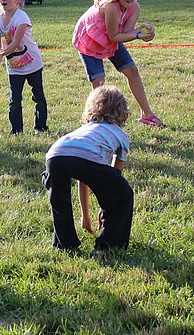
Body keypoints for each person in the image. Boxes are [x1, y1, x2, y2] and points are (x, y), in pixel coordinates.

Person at [41, 84, 133, 252]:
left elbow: (84, 178)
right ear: (122, 110)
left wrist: (86, 215)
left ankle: (65, 244)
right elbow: (113, 185)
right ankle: (107, 247)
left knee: (59, 199)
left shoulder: (85, 130)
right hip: (81, 158)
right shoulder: (120, 136)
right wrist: (103, 210)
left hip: (55, 154)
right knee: (123, 195)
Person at [72, 0, 163, 127]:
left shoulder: (134, 7)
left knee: (132, 71)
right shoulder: (110, 7)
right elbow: (115, 36)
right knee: (99, 81)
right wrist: (136, 34)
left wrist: (140, 31)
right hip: (90, 38)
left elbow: (125, 34)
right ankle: (94, 120)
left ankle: (147, 114)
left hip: (111, 37)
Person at [0, 0, 47, 134]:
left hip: (32, 63)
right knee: (15, 100)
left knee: (38, 95)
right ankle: (16, 130)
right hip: (14, 66)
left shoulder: (22, 18)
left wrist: (1, 55)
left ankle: (40, 127)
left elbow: (15, 42)